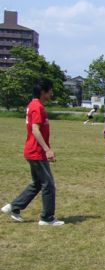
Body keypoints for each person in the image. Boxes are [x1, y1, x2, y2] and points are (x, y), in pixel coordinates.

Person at [1, 78, 65, 226]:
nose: (52, 93)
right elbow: (35, 129)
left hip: (33, 150)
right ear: (43, 92)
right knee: (48, 184)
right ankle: (47, 218)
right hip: (36, 151)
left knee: (38, 183)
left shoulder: (34, 105)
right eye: (50, 90)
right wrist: (47, 149)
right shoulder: (37, 107)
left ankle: (13, 207)